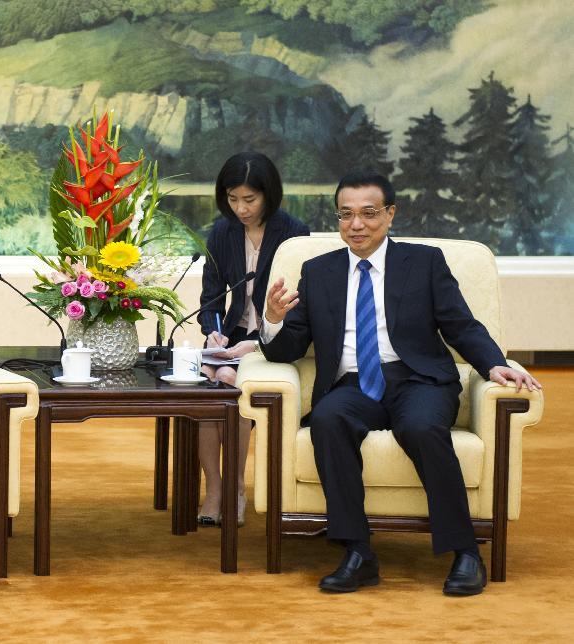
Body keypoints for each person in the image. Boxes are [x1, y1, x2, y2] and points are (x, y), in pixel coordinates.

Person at [260, 170, 541, 595]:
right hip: (354, 384)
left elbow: (461, 326)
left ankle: (465, 551)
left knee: (421, 427)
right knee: (328, 420)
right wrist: (273, 322)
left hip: (419, 379)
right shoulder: (318, 272)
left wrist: (493, 365)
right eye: (346, 215)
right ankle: (358, 553)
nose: (356, 225)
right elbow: (288, 350)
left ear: (390, 214)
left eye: (369, 214)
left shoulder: (424, 262)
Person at [196, 152, 310, 526]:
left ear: (268, 195)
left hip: (273, 337)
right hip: (231, 336)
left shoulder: (294, 234)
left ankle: (236, 489)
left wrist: (259, 343)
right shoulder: (222, 232)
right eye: (232, 199)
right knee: (207, 388)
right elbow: (211, 297)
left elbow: (300, 306)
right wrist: (214, 333)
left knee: (231, 384)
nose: (240, 209)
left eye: (249, 200)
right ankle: (214, 489)